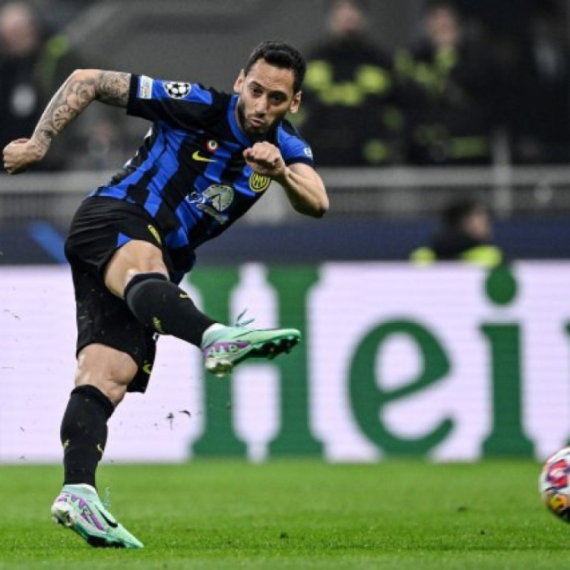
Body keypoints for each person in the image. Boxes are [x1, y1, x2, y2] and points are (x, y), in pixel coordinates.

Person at [3, 41, 329, 549]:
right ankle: (214, 337)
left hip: (152, 266)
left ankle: (77, 492)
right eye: (256, 90)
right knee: (146, 267)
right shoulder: (197, 104)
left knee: (107, 376)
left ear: (295, 103)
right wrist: (38, 144)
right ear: (240, 82)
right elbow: (89, 80)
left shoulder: (285, 147)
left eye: (276, 99)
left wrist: (282, 174)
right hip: (116, 216)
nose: (261, 106)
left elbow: (318, 201)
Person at [298, 0, 403, 166]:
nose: (348, 15)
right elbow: (294, 111)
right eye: (341, 9)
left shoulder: (382, 62)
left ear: (364, 17)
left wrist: (387, 146)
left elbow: (398, 111)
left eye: (354, 9)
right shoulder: (311, 61)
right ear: (330, 17)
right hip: (319, 160)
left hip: (370, 164)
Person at [410, 197, 503, 267]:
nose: (487, 222)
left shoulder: (422, 255)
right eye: (479, 215)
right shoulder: (491, 257)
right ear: (463, 221)